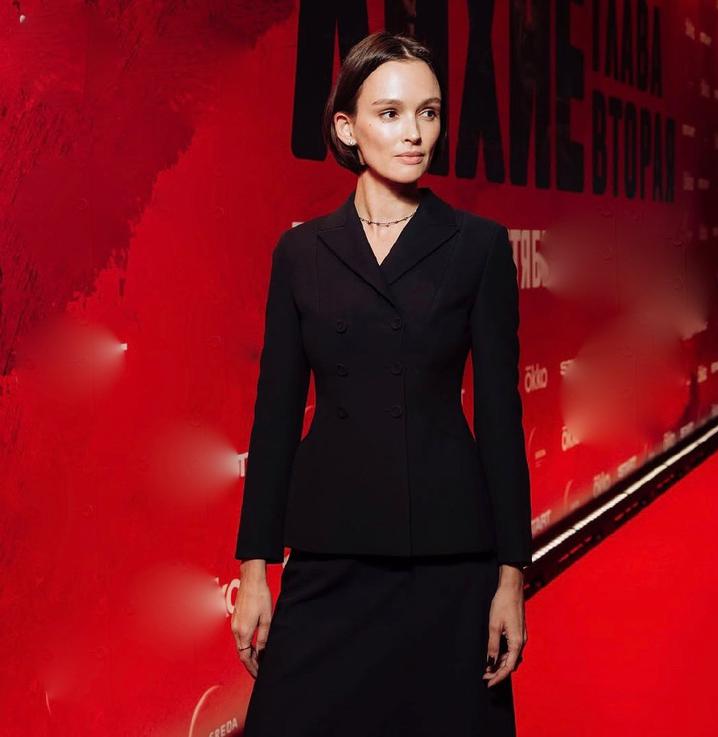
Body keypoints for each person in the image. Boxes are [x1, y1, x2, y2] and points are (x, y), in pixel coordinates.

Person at [232, 30, 533, 737]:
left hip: (449, 557)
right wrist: (254, 568)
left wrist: (511, 576)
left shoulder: (478, 246)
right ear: (347, 127)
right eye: (390, 113)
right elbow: (275, 415)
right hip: (330, 553)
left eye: (428, 112)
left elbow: (499, 418)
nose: (414, 133)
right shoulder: (301, 252)